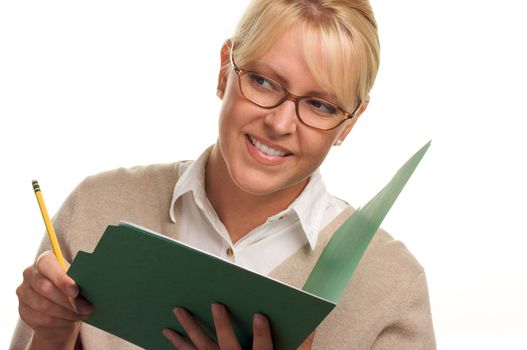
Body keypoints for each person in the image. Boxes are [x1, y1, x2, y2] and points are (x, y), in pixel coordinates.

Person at [11, 0, 436, 349]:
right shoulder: (96, 208)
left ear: (350, 122)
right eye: (264, 82)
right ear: (223, 69)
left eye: (321, 106)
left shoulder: (391, 284)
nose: (281, 124)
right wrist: (52, 333)